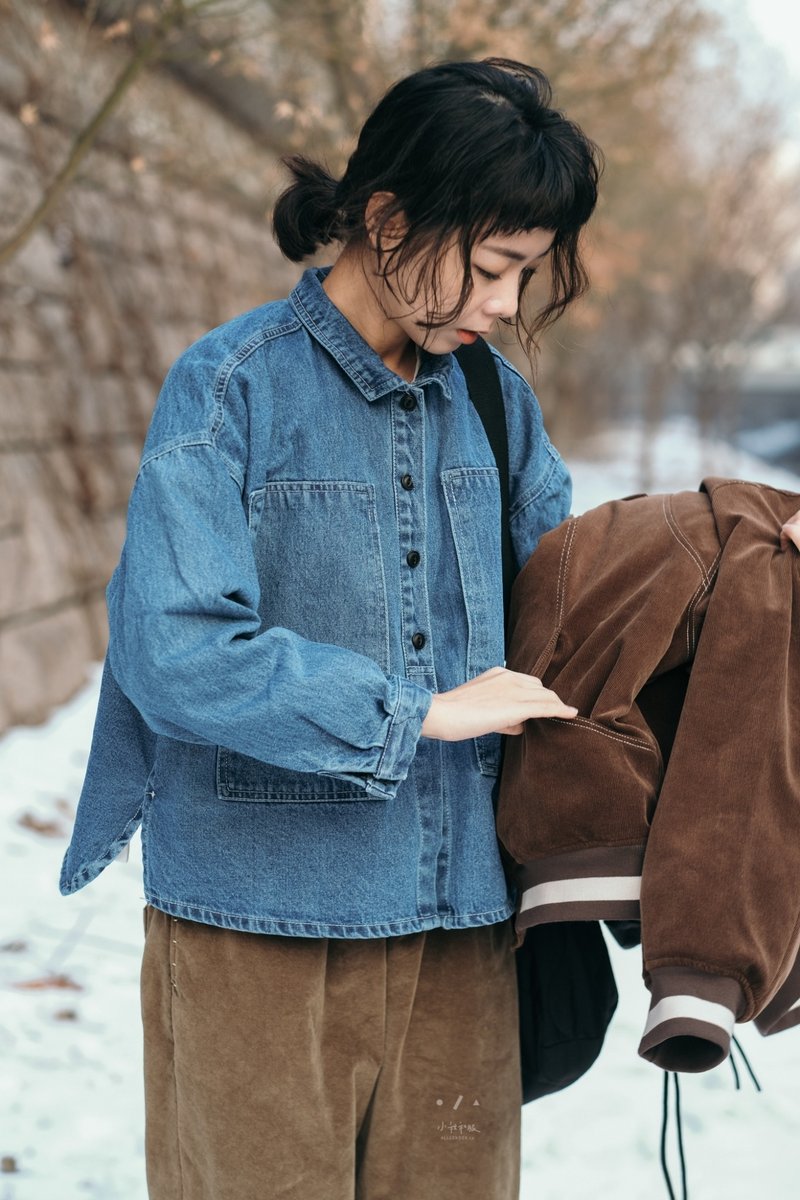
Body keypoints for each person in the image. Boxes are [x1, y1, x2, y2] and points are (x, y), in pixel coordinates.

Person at [60, 54, 795, 1199]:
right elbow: (176, 648)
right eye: (496, 267)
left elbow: (571, 596)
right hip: (257, 929)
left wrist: (731, 550)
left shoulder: (496, 402)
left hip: (461, 934)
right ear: (390, 219)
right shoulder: (230, 387)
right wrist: (417, 711)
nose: (507, 305)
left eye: (526, 273)